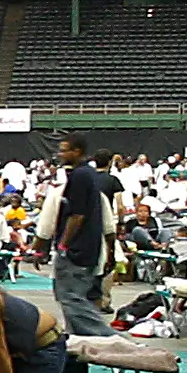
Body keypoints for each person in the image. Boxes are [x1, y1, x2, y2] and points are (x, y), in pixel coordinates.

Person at [48, 134, 112, 335]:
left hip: (77, 251)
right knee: (71, 302)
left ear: (77, 151)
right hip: (87, 248)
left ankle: (114, 340)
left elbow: (77, 216)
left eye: (64, 149)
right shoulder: (88, 174)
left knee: (72, 301)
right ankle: (77, 343)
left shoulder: (80, 176)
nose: (60, 154)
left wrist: (63, 245)